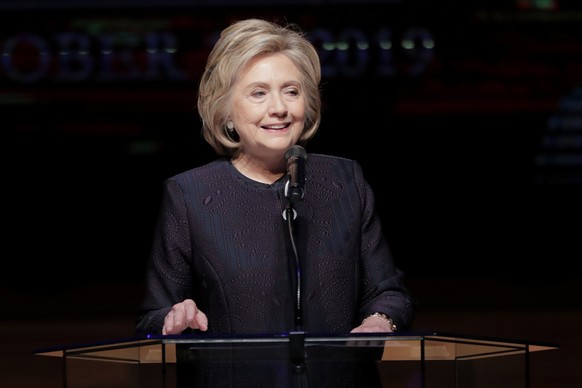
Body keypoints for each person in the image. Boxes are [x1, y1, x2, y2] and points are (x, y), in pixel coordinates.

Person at [135, 18, 415, 339]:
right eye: (258, 93)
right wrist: (173, 317)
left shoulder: (344, 180)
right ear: (225, 110)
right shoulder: (190, 194)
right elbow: (151, 317)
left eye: (291, 91)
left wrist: (380, 320)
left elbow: (390, 293)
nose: (279, 108)